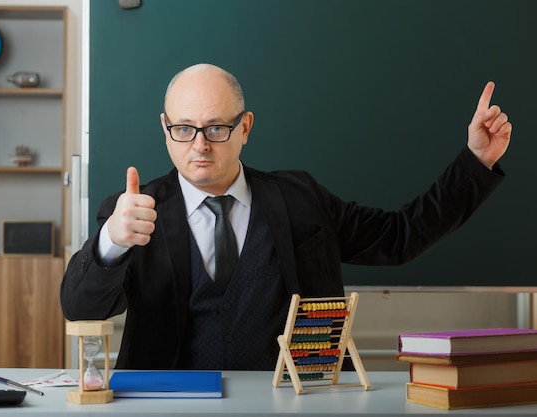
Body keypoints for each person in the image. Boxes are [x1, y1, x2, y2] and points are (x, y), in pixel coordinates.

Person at [61, 63, 511, 371]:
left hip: (293, 404)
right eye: (183, 129)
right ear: (166, 129)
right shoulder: (132, 211)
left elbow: (399, 236)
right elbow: (80, 308)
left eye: (217, 128)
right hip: (170, 404)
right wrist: (111, 243)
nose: (199, 145)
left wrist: (474, 163)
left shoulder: (301, 199)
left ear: (246, 128)